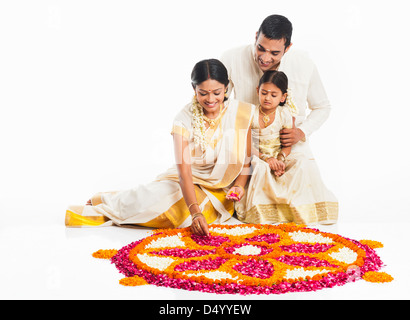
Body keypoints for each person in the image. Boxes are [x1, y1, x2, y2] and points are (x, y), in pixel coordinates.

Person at [65, 59, 254, 235]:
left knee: (178, 218)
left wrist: (238, 187)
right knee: (160, 205)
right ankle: (109, 202)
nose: (210, 99)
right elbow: (184, 173)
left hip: (223, 193)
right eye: (203, 93)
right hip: (187, 181)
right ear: (193, 88)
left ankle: (118, 199)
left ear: (226, 88)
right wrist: (195, 212)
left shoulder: (241, 113)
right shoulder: (183, 119)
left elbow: (246, 161)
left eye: (217, 93)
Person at [220, 14, 331, 158]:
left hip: (291, 149)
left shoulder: (304, 64)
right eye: (261, 48)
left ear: (288, 47)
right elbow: (218, 101)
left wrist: (301, 131)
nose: (265, 58)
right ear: (256, 37)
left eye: (275, 53)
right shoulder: (231, 58)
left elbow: (322, 107)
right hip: (245, 146)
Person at [235, 70, 338, 224]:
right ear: (258, 91)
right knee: (260, 167)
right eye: (264, 93)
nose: (267, 98)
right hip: (257, 156)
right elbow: (247, 144)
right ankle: (264, 210)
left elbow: (286, 145)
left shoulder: (285, 114)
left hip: (279, 156)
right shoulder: (251, 113)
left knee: (302, 161)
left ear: (283, 97)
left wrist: (280, 159)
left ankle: (295, 207)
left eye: (274, 95)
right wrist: (267, 159)